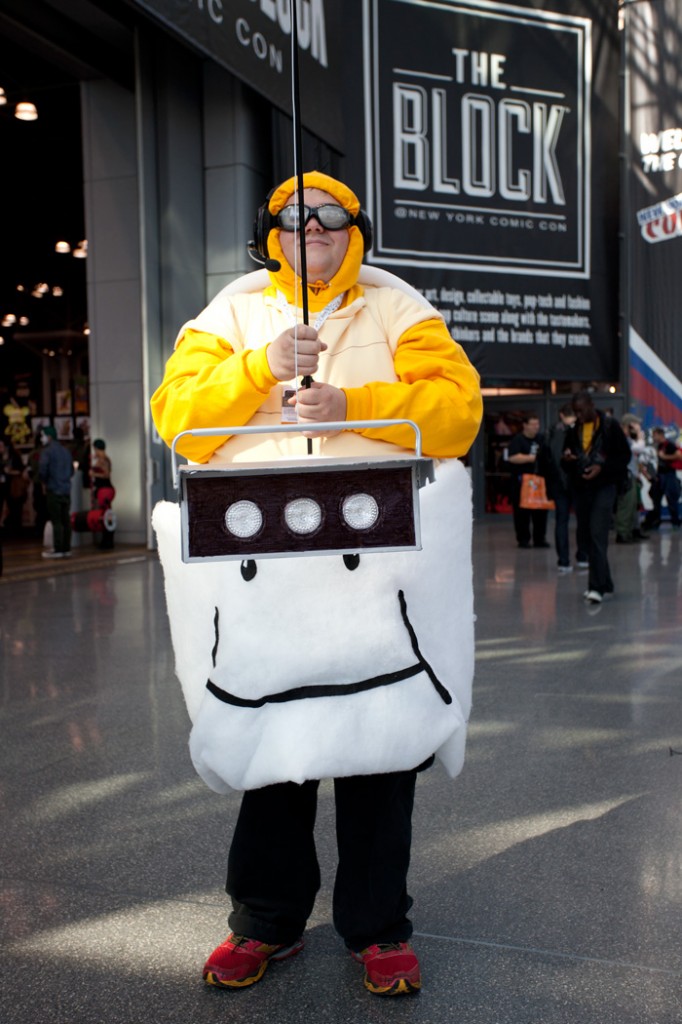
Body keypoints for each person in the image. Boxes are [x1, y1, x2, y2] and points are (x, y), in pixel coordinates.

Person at [151, 170, 482, 996]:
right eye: (295, 225)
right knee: (276, 748)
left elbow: (457, 413)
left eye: (331, 224)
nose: (314, 237)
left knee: (380, 745)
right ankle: (265, 920)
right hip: (266, 574)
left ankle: (377, 926)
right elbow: (176, 417)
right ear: (272, 236)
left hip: (376, 568)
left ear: (354, 232)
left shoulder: (398, 304)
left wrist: (352, 404)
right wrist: (259, 367)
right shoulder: (230, 312)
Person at [562, 391, 630, 604]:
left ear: (592, 405)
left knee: (597, 533)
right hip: (582, 490)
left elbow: (624, 457)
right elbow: (565, 463)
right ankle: (606, 582)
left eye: (581, 411)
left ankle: (596, 587)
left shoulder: (610, 427)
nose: (578, 415)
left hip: (605, 487)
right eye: (575, 412)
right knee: (587, 535)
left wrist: (602, 468)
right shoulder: (574, 431)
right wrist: (570, 460)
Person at [544, 403, 586, 572]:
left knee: (562, 521)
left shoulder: (552, 431)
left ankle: (564, 560)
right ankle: (582, 556)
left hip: (559, 483)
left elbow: (550, 459)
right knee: (582, 520)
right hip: (575, 482)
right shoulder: (578, 431)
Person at [506, 414, 550, 549]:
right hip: (522, 482)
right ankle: (523, 539)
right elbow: (513, 458)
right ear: (525, 425)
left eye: (537, 424)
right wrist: (532, 458)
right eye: (533, 424)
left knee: (540, 512)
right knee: (521, 513)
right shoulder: (517, 440)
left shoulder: (542, 439)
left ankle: (539, 539)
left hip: (539, 481)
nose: (536, 427)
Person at [38, 425, 74, 559]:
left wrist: (45, 482)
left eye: (43, 436)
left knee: (56, 520)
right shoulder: (66, 451)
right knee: (66, 520)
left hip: (54, 489)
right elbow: (71, 471)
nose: (41, 439)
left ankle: (58, 548)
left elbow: (43, 470)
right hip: (66, 489)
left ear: (49, 436)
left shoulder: (47, 452)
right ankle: (66, 547)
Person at [615, 414, 649, 543]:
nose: (638, 427)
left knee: (633, 506)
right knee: (626, 505)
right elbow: (638, 447)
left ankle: (628, 532)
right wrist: (640, 435)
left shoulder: (629, 439)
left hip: (632, 476)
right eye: (635, 425)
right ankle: (622, 533)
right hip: (626, 476)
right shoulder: (623, 439)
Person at [644, 427, 681, 529]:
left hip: (669, 475)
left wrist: (665, 457)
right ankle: (656, 520)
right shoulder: (660, 446)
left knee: (671, 499)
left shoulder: (669, 445)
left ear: (660, 435)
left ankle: (675, 522)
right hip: (660, 475)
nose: (653, 437)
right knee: (656, 497)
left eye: (655, 435)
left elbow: (679, 456)